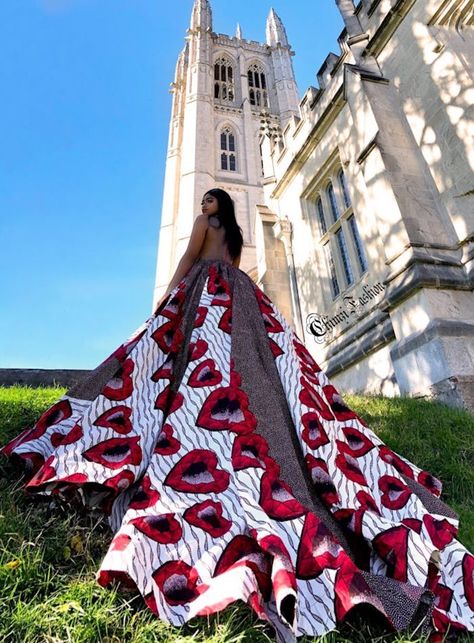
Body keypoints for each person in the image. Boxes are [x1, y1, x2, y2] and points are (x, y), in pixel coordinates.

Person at [1, 188, 473, 643]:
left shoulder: (204, 225)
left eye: (209, 199)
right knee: (260, 368)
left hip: (209, 290)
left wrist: (168, 300)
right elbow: (228, 265)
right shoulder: (234, 235)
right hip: (244, 295)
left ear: (216, 207)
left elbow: (189, 260)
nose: (204, 204)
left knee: (200, 363)